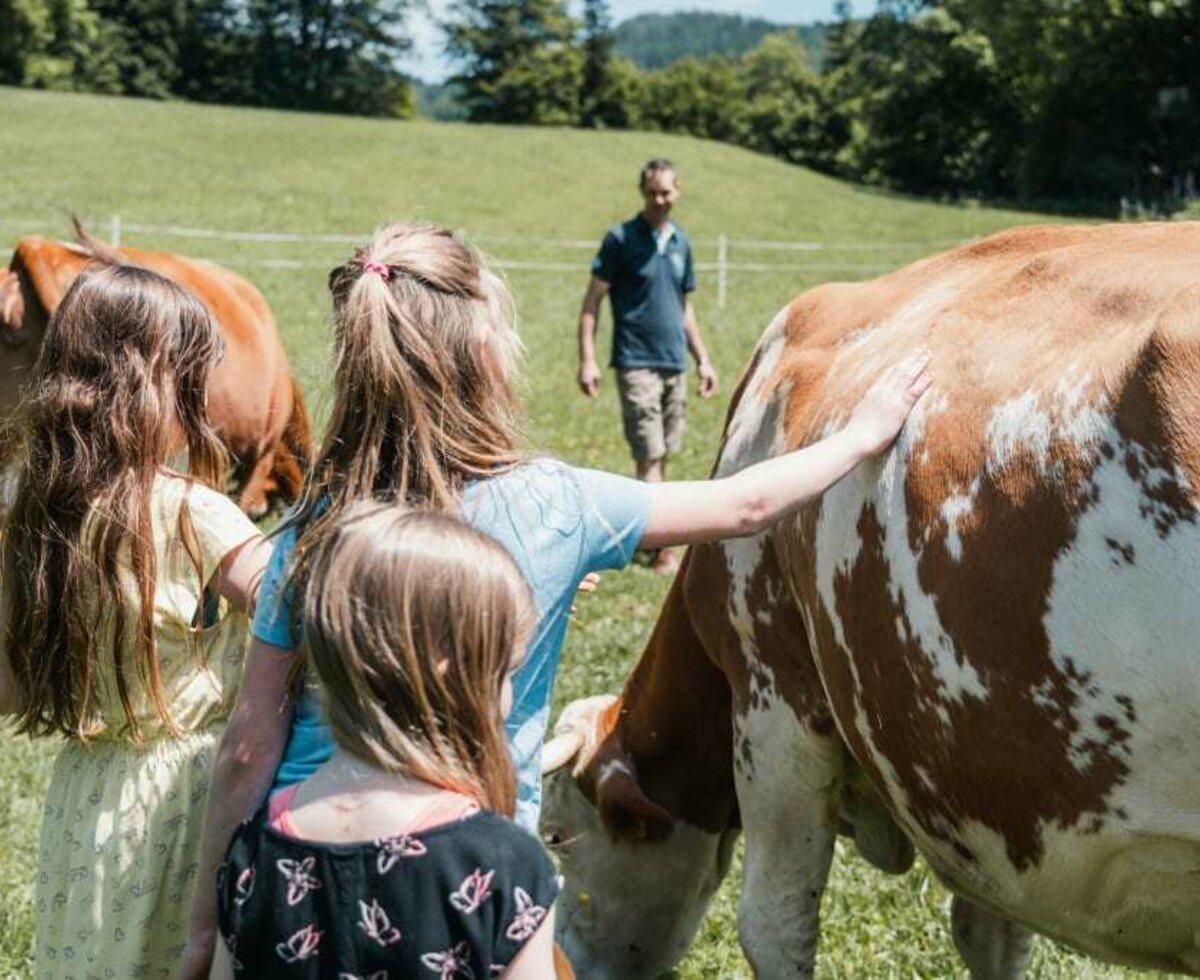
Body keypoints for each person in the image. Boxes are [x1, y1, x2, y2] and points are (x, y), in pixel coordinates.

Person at [182, 221, 930, 976]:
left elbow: (248, 746)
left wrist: (204, 933)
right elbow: (742, 506)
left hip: (293, 860)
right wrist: (858, 436)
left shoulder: (311, 528)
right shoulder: (556, 508)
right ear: (485, 356)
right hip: (452, 869)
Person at [0, 263, 270, 978]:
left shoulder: (25, 505)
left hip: (84, 799)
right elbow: (304, 615)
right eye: (193, 384)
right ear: (152, 386)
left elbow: (10, 688)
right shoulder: (195, 515)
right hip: (185, 796)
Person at [212, 503, 559, 978]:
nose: (509, 689)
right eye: (504, 669)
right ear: (449, 674)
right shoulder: (503, 866)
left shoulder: (252, 853)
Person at [577, 158, 718, 574]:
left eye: (667, 192)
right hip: (634, 359)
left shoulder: (681, 244)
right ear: (643, 192)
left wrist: (703, 358)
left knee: (665, 451)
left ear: (678, 191)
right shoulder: (620, 239)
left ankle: (649, 532)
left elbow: (683, 308)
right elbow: (591, 305)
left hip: (674, 361)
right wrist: (587, 359)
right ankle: (662, 549)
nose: (660, 200)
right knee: (650, 455)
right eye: (653, 192)